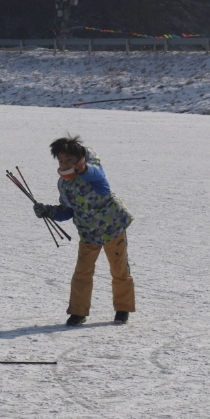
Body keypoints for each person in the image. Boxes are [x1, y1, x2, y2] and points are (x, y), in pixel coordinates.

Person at [33, 135, 135, 326]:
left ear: (79, 160)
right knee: (82, 273)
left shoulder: (95, 176)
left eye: (69, 160)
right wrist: (48, 211)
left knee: (119, 271)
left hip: (112, 227)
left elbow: (99, 178)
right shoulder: (63, 184)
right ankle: (78, 312)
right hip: (88, 233)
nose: (64, 164)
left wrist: (84, 169)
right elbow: (67, 211)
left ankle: (123, 309)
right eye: (61, 160)